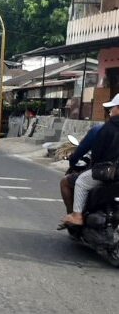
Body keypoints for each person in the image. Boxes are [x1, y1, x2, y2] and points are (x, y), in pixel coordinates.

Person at [62, 95, 119, 226]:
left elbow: (97, 154)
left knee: (81, 181)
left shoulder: (106, 128)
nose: (111, 111)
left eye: (113, 108)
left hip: (109, 172)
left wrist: (93, 165)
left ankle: (76, 216)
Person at [60, 124, 102, 214]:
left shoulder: (100, 129)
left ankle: (75, 216)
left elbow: (80, 151)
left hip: (105, 172)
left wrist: (72, 161)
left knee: (68, 182)